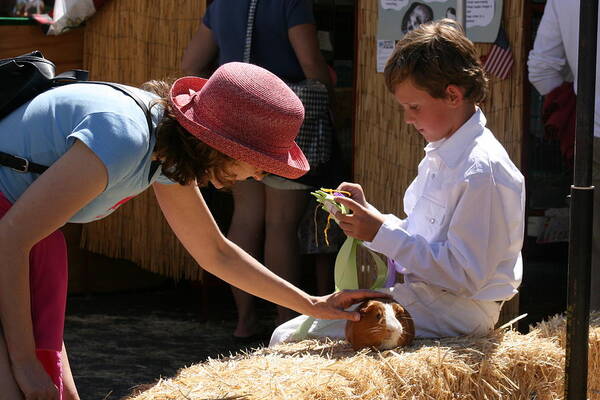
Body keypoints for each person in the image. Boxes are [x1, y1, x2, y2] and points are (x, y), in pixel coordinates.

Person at [0, 62, 385, 399]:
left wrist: (312, 304)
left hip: (27, 243)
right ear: (221, 145)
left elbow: (214, 252)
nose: (260, 175)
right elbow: (10, 241)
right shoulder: (124, 138)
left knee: (57, 392)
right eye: (259, 162)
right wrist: (22, 361)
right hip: (12, 242)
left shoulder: (167, 149)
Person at [270, 19, 525, 345]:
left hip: (459, 311)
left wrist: (380, 232)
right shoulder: (443, 152)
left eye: (414, 107)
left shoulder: (481, 171)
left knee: (289, 339)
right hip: (429, 297)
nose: (407, 118)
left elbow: (465, 276)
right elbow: (423, 239)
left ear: (452, 95)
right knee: (293, 333)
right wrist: (369, 219)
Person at [181, 0, 338, 342]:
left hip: (234, 128)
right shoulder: (291, 3)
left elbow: (190, 64)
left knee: (246, 218)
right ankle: (287, 323)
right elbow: (312, 64)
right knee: (280, 225)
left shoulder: (221, 4)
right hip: (277, 126)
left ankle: (244, 320)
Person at [527, 0, 600, 312]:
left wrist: (580, 107)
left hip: (594, 137)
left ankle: (594, 352)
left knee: (595, 258)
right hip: (592, 133)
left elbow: (542, 69)